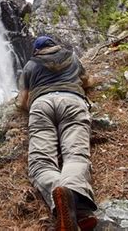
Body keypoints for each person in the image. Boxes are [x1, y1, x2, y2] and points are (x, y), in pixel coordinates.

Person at [17, 36, 98, 231]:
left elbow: (21, 102)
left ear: (37, 51)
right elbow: (87, 81)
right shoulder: (71, 57)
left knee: (40, 163)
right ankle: (74, 198)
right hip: (72, 100)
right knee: (75, 155)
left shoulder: (30, 66)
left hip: (41, 105)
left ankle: (61, 198)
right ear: (54, 46)